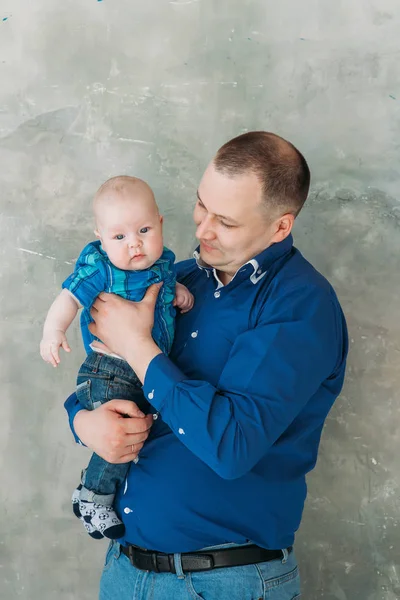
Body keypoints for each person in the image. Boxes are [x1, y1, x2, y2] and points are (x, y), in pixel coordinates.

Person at [65, 131, 348, 600]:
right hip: (124, 571)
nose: (201, 230)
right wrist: (83, 420)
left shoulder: (300, 305)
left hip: (224, 582)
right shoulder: (174, 280)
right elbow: (106, 371)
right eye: (201, 206)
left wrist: (138, 345)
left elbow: (232, 445)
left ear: (280, 227)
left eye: (226, 222)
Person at [41, 176, 193, 540]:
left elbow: (165, 289)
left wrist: (179, 291)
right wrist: (53, 331)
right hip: (108, 372)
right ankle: (94, 496)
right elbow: (69, 299)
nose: (135, 244)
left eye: (143, 230)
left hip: (142, 372)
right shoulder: (102, 269)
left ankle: (93, 492)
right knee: (124, 433)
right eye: (119, 237)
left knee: (134, 433)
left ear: (160, 223)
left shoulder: (164, 265)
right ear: (101, 236)